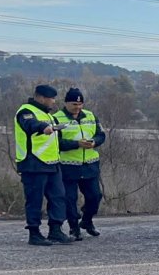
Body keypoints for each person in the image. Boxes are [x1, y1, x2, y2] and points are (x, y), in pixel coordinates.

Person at [14, 84, 73, 246]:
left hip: (52, 163)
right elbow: (30, 125)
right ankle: (34, 233)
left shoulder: (49, 115)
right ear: (40, 97)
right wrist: (43, 128)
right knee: (34, 199)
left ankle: (56, 230)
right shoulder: (25, 111)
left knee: (59, 197)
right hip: (33, 163)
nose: (53, 102)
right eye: (50, 99)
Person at [55, 87, 107, 240]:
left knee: (95, 196)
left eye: (80, 104)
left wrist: (94, 142)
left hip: (89, 165)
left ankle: (87, 221)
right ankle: (74, 227)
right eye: (73, 104)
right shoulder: (57, 118)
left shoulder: (91, 116)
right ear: (66, 103)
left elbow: (101, 135)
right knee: (69, 199)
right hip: (68, 166)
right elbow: (56, 142)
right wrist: (76, 144)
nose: (77, 107)